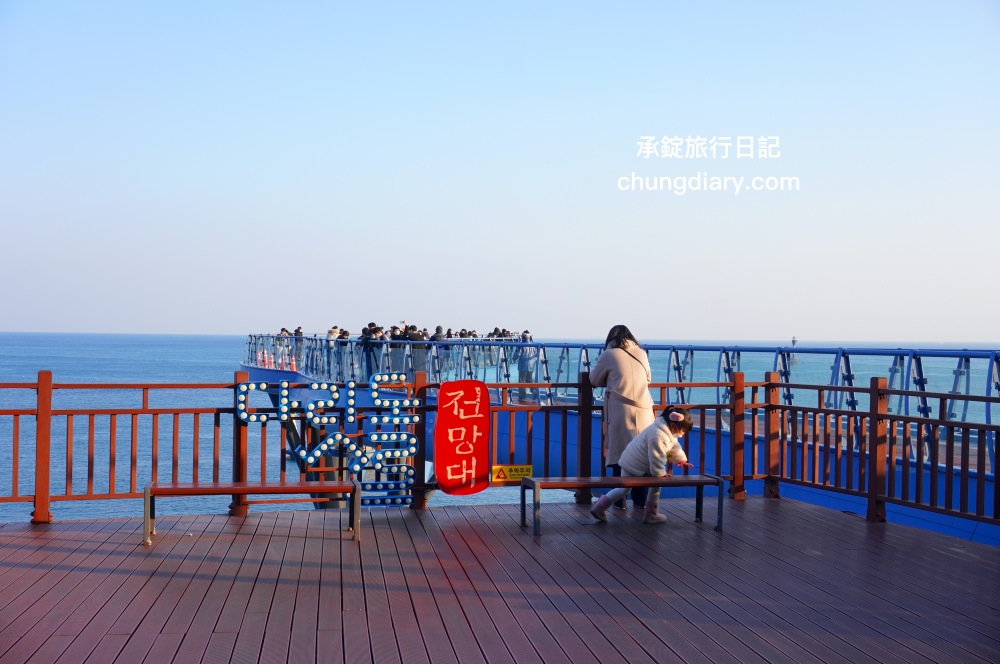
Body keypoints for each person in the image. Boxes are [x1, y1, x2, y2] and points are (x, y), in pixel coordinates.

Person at [589, 406, 695, 524]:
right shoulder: (659, 435)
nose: (683, 434)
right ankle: (651, 514)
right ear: (674, 426)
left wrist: (680, 460)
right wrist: (660, 473)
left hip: (630, 462)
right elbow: (657, 456)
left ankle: (599, 508)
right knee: (656, 485)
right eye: (683, 431)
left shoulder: (664, 431)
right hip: (637, 465)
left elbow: (673, 447)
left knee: (622, 489)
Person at [589, 324, 655, 509]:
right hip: (644, 411)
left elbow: (593, 380)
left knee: (620, 457)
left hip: (621, 411)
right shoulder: (641, 353)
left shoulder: (609, 354)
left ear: (611, 339)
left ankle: (619, 503)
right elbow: (648, 379)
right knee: (641, 456)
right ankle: (640, 502)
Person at [511, 330, 538, 399]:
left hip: (522, 366)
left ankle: (522, 397)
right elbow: (537, 355)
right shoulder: (534, 345)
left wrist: (513, 359)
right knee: (530, 380)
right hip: (531, 365)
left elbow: (517, 354)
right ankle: (534, 391)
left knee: (522, 381)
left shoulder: (521, 345)